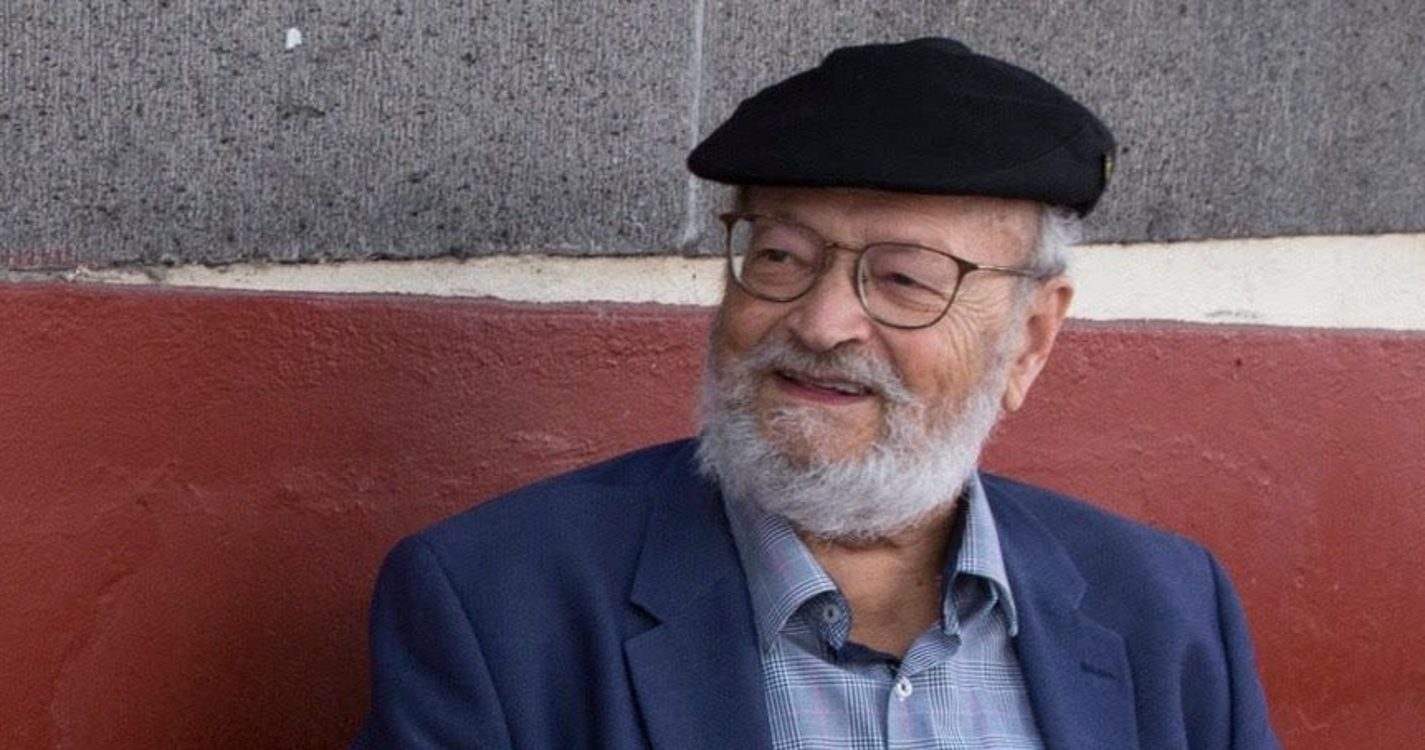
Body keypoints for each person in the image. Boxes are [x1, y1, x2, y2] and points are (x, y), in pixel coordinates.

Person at [353, 38, 1280, 749]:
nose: (823, 322)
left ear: (1029, 339)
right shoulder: (498, 603)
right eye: (780, 256)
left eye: (905, 279)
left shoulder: (1163, 608)